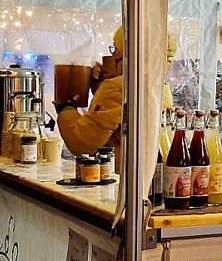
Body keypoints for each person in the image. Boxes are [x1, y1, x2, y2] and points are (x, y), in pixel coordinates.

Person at [54, 27, 176, 168]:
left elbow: (83, 143)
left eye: (114, 48)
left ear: (123, 52)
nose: (112, 54)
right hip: (155, 173)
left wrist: (65, 110)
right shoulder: (159, 86)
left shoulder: (119, 87)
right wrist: (100, 86)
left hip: (120, 177)